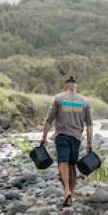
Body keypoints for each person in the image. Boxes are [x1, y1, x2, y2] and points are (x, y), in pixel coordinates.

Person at [40, 75, 93, 207]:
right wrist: (90, 143)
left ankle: (67, 190)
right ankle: (72, 194)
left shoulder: (58, 98)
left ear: (65, 87)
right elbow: (90, 124)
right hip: (76, 138)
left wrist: (44, 137)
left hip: (62, 136)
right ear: (76, 87)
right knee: (72, 165)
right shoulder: (84, 101)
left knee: (62, 163)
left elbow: (49, 120)